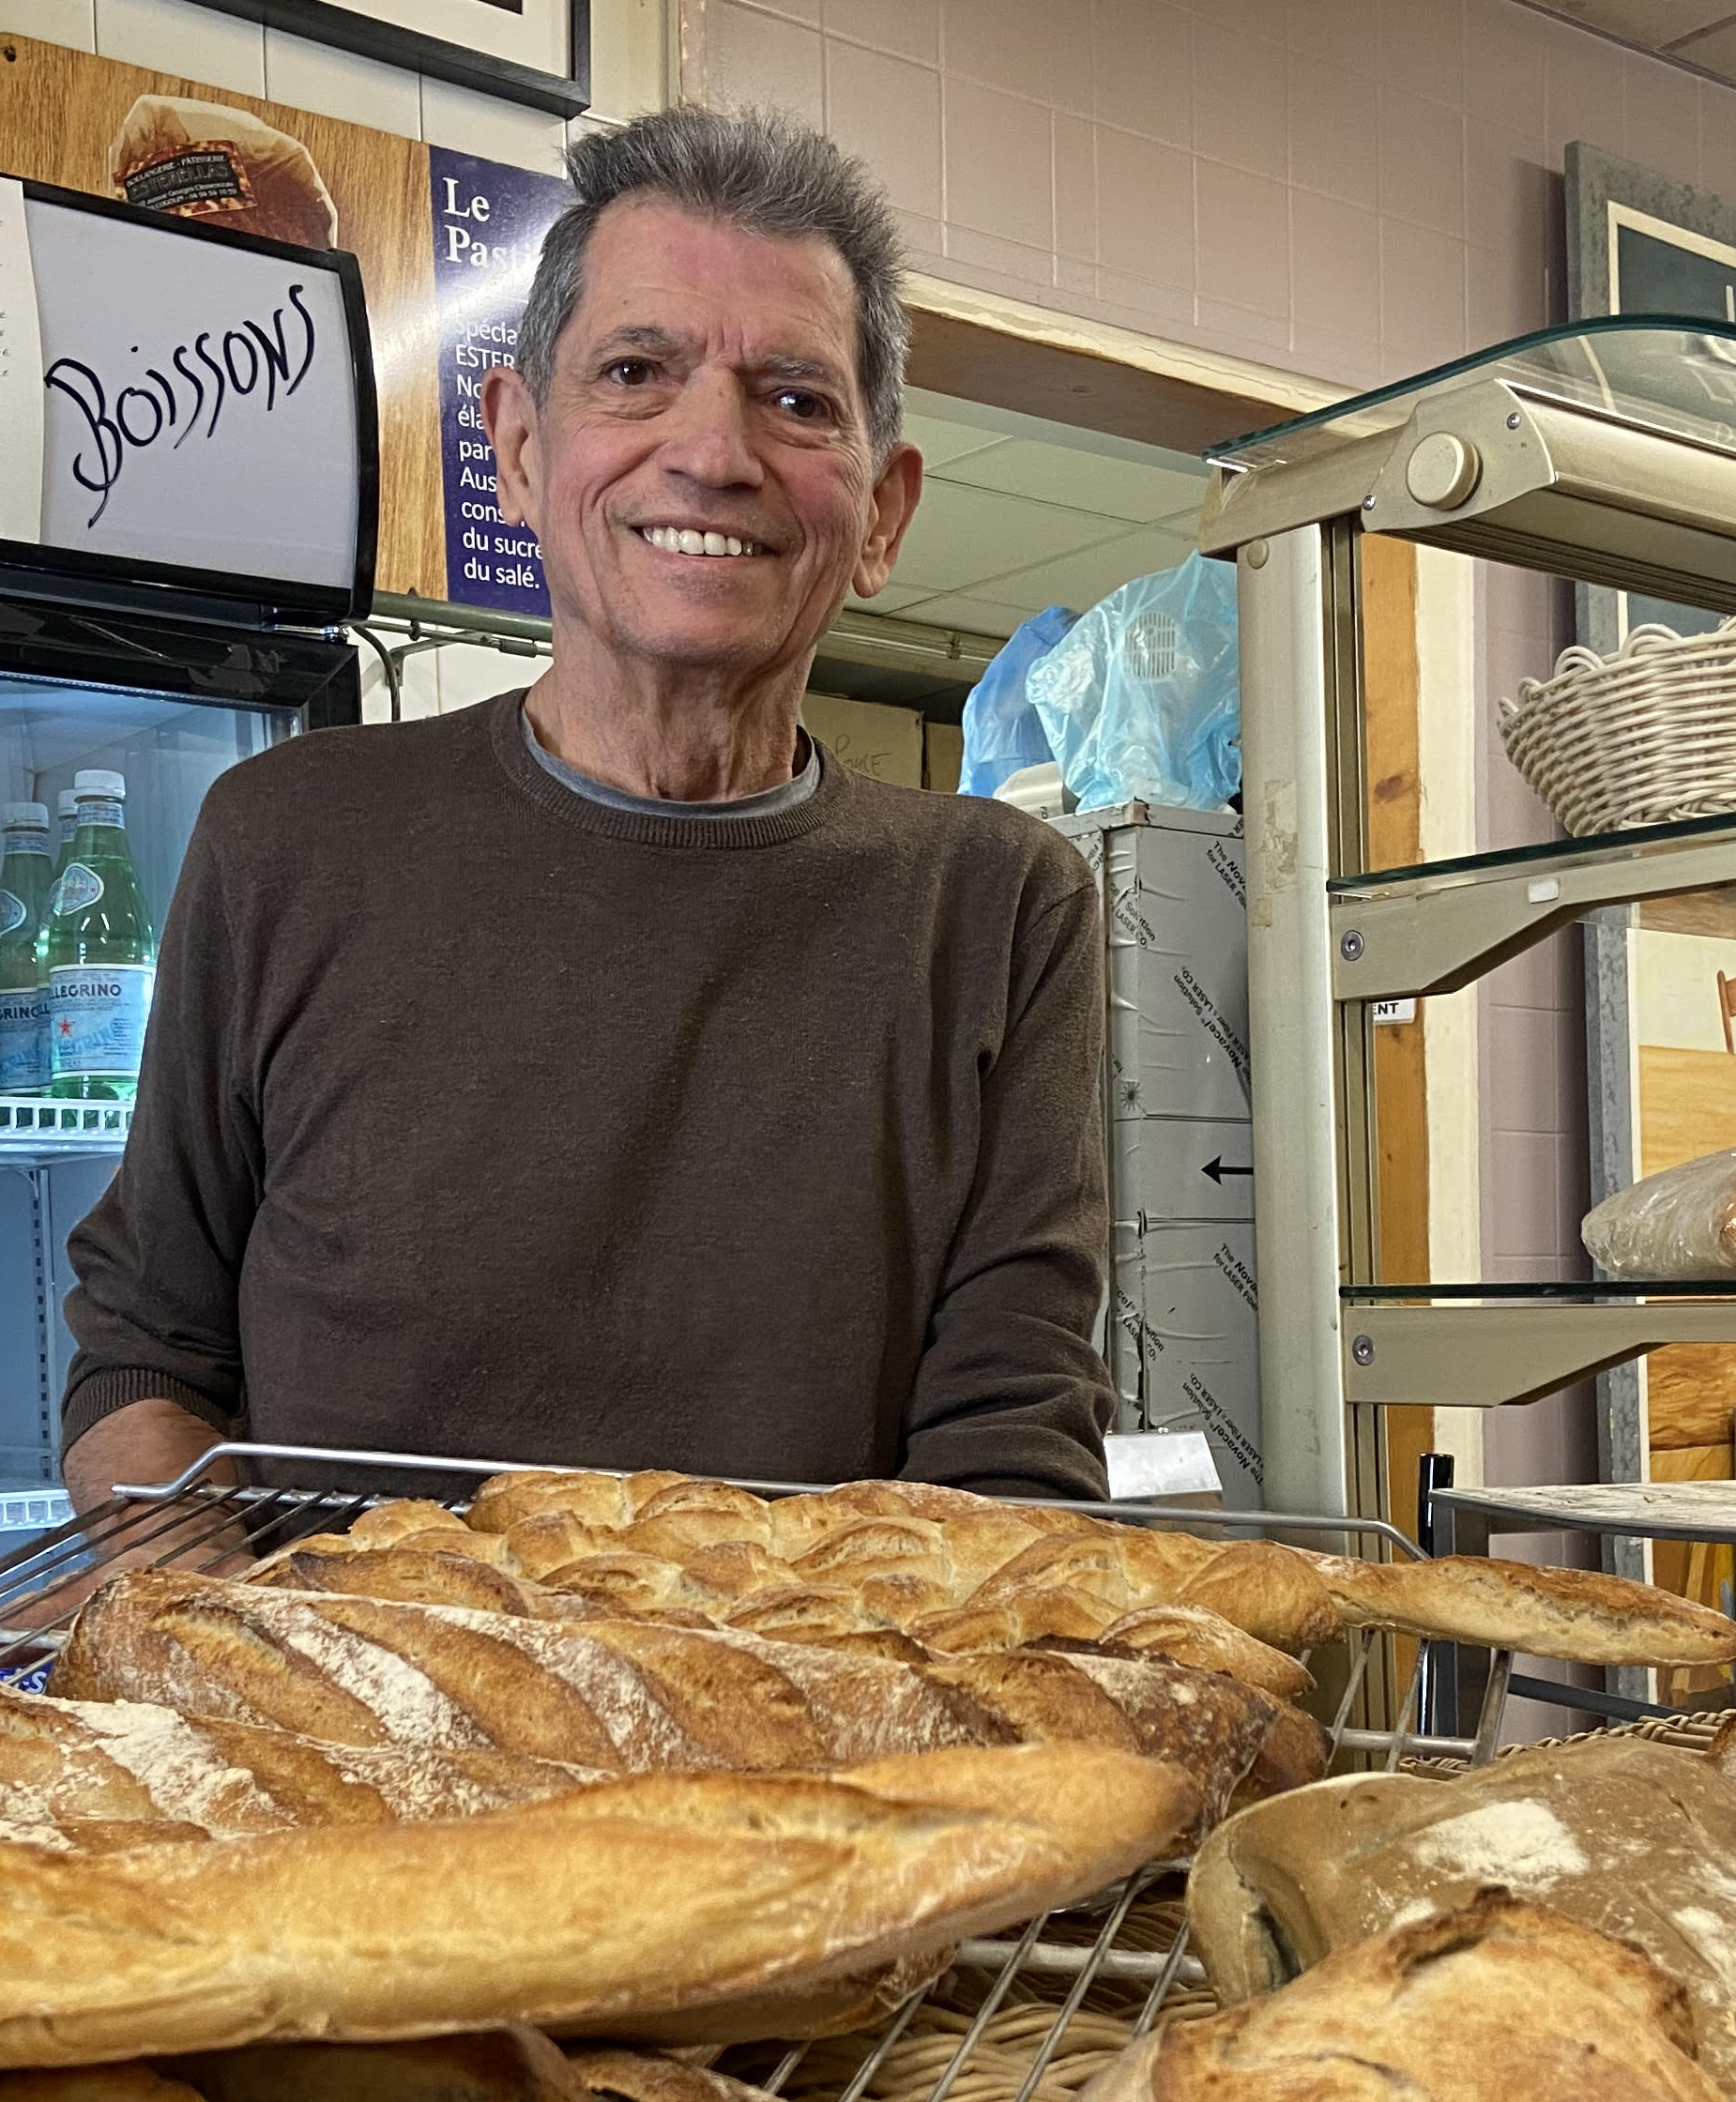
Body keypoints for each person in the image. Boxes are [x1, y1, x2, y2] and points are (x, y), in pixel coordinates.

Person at [60, 107, 1114, 1507]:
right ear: (514, 450)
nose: (713, 451)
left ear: (884, 514)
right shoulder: (287, 840)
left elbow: (1012, 1449)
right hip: (343, 1709)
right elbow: (146, 1357)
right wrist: (211, 1630)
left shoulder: (998, 909)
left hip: (828, 1717)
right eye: (637, 371)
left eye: (796, 399)